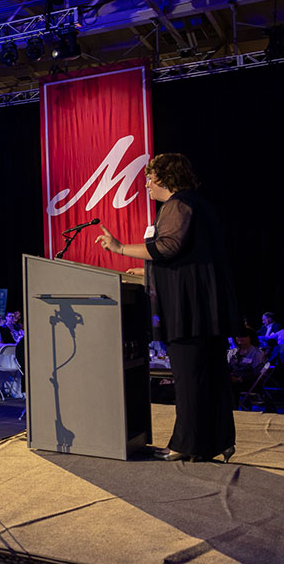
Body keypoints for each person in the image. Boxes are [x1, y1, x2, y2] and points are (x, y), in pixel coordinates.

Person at [96, 152, 240, 462]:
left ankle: (186, 445)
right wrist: (147, 272)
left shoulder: (177, 205)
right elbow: (188, 257)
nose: (146, 184)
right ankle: (220, 441)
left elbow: (169, 247)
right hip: (206, 308)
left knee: (189, 377)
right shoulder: (201, 205)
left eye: (149, 177)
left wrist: (120, 249)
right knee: (210, 375)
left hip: (187, 310)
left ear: (164, 178)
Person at [228, 328, 266, 393]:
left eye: (243, 336)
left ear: (251, 337)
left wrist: (239, 379)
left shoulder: (257, 353)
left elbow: (257, 373)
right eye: (238, 336)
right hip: (232, 380)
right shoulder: (231, 352)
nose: (239, 338)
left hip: (247, 382)